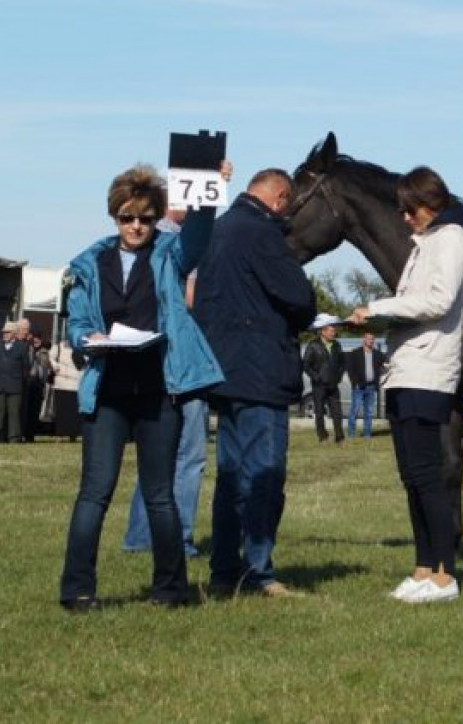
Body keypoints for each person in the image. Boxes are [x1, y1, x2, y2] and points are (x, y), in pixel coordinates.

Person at [59, 164, 222, 613]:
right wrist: (85, 338)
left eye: (146, 218)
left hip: (158, 390)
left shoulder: (171, 254)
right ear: (115, 216)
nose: (136, 226)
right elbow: (79, 319)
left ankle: (170, 590)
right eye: (128, 217)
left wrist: (210, 192)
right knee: (95, 492)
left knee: (161, 494)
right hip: (107, 390)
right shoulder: (89, 262)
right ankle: (77, 590)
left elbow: (199, 237)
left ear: (156, 219)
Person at [347, 166, 463, 604]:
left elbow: (439, 300)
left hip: (430, 371)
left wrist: (379, 308)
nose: (404, 219)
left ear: (430, 205)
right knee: (411, 475)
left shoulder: (452, 240)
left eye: (410, 211)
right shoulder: (425, 243)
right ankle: (423, 566)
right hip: (406, 370)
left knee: (428, 476)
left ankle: (445, 574)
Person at [194, 168, 316, 597]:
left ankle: (224, 570)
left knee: (229, 477)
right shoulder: (263, 234)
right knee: (263, 473)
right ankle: (258, 571)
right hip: (261, 369)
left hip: (223, 370)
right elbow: (299, 299)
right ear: (280, 198)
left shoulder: (218, 229)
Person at [122, 160, 233, 558]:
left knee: (157, 456)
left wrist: (211, 191)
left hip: (154, 361)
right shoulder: (172, 242)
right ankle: (178, 540)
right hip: (180, 362)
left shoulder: (145, 240)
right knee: (188, 456)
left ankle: (139, 538)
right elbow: (187, 300)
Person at [303, 315, 346, 443]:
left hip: (333, 384)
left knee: (337, 412)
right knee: (320, 412)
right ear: (323, 331)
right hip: (319, 386)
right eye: (331, 331)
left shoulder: (337, 345)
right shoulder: (313, 345)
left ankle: (339, 437)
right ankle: (323, 436)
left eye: (334, 331)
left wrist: (338, 376)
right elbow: (306, 365)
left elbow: (342, 363)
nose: (334, 333)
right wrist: (317, 377)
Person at [0, 321, 29, 443]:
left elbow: (26, 366)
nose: (4, 334)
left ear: (14, 333)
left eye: (7, 332)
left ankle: (13, 437)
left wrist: (21, 380)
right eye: (4, 332)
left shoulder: (22, 347)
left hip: (15, 385)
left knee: (14, 413)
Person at [345, 331, 385, 439]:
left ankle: (367, 434)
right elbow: (350, 370)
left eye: (372, 339)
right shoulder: (355, 353)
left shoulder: (378, 354)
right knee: (355, 411)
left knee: (369, 412)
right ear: (363, 339)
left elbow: (385, 365)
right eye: (369, 338)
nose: (371, 341)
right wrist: (355, 383)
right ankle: (351, 434)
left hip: (371, 387)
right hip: (358, 387)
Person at [49, 339, 84, 441]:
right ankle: (60, 434)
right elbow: (50, 358)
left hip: (76, 384)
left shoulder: (82, 346)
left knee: (74, 413)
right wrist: (56, 366)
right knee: (61, 412)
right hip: (61, 384)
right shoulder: (58, 346)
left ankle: (73, 434)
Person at [23, 332, 53, 442]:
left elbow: (45, 366)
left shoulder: (43, 352)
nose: (36, 341)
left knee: (34, 411)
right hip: (28, 383)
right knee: (26, 411)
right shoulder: (27, 349)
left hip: (38, 384)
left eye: (38, 338)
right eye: (34, 338)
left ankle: (30, 435)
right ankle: (25, 432)